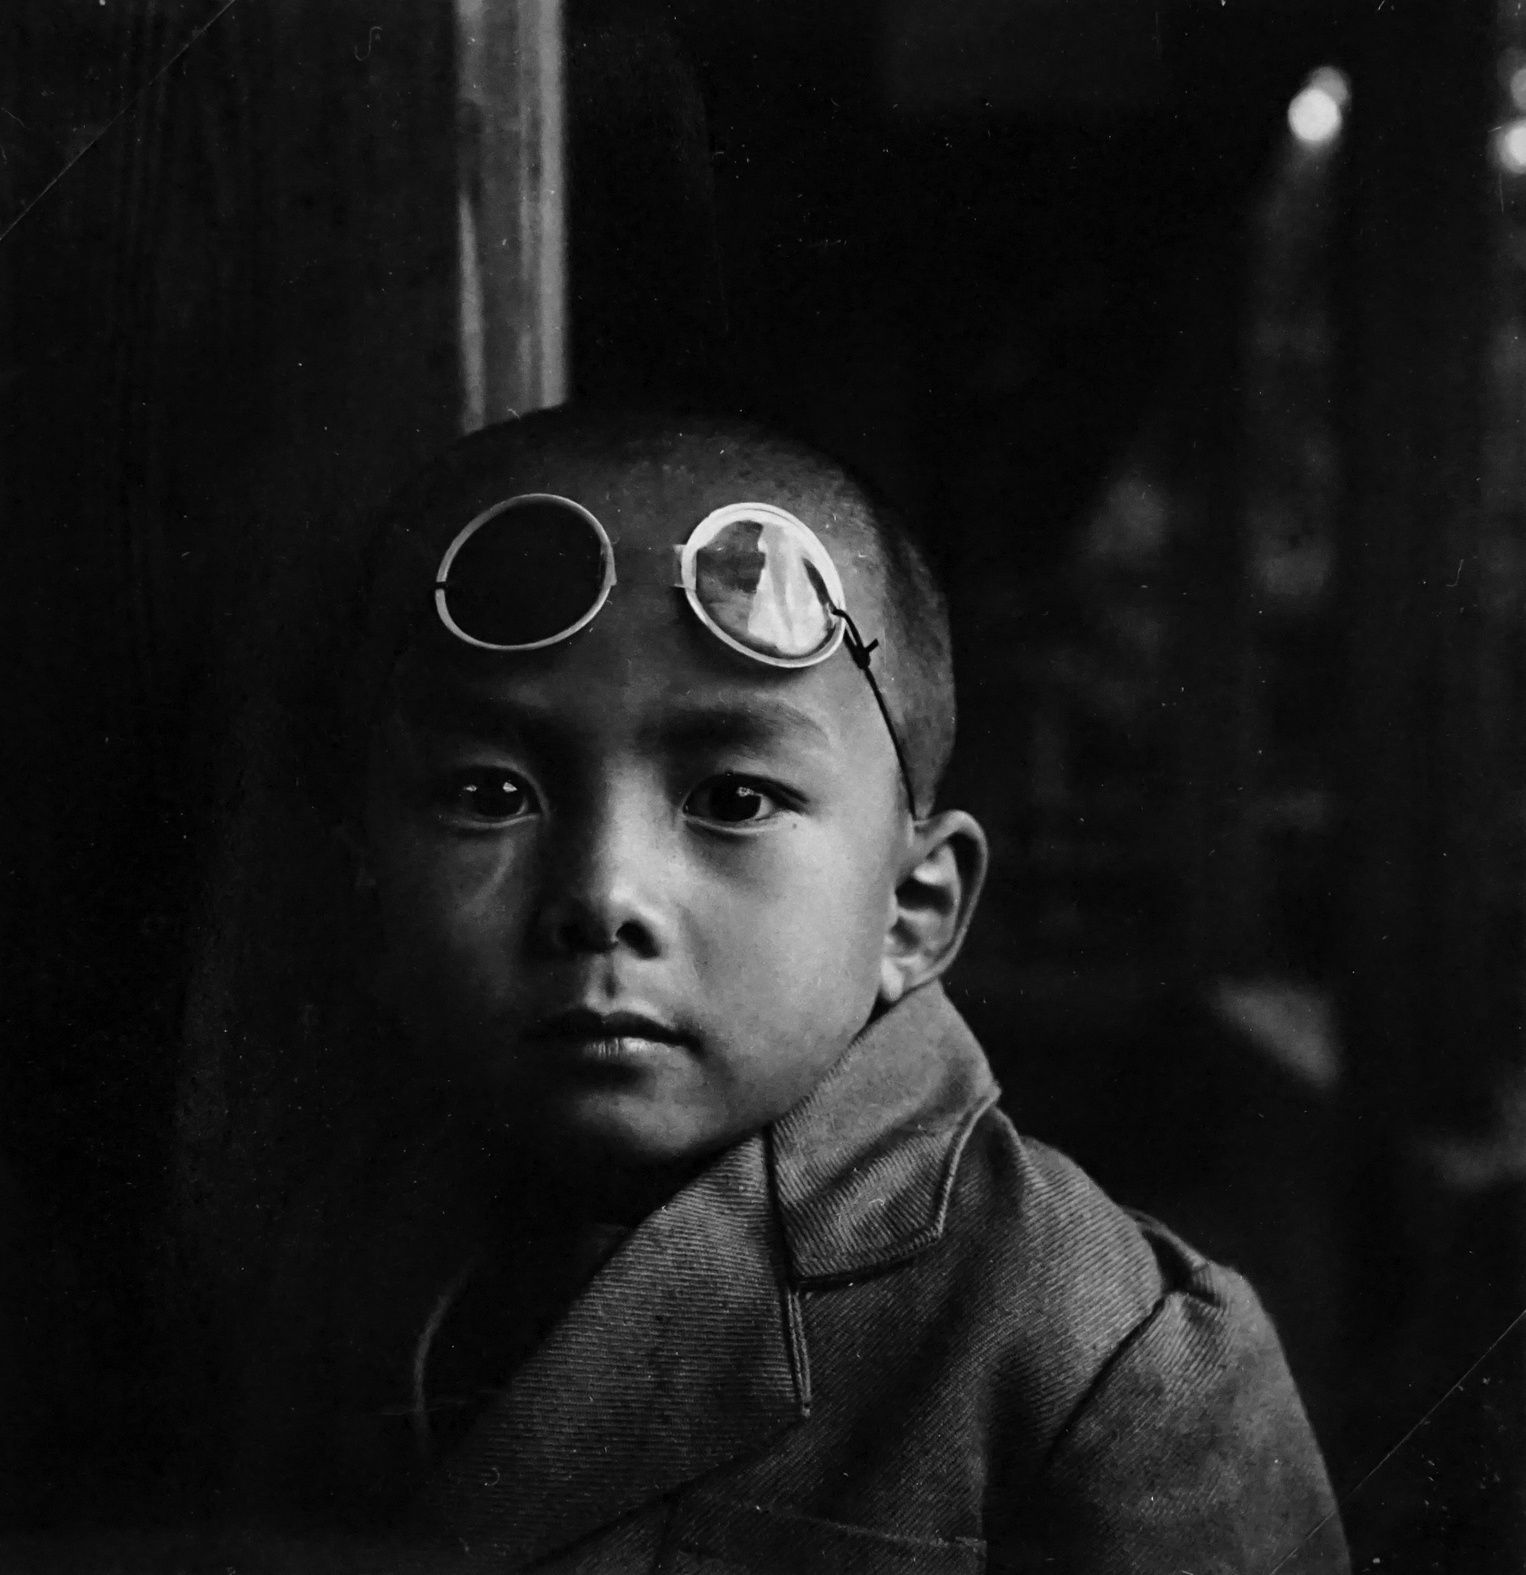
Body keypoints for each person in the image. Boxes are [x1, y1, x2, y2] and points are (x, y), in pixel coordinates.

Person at [230, 405, 1349, 1573]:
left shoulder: (1099, 1351)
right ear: (363, 892)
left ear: (910, 909)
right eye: (489, 795)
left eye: (734, 799)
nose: (602, 894)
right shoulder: (332, 1248)